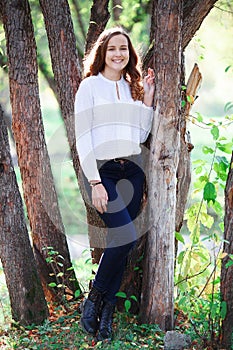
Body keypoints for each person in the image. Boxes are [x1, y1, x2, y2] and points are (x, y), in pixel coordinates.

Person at [74, 27, 155, 341]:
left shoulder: (130, 87)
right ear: (103, 53)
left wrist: (146, 99)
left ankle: (105, 317)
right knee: (125, 238)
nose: (118, 54)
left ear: (129, 54)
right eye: (112, 49)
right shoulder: (90, 87)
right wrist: (95, 181)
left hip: (131, 172)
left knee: (122, 245)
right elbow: (83, 136)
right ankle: (94, 299)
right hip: (104, 173)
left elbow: (139, 135)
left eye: (124, 49)